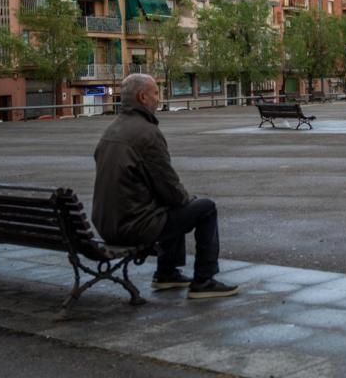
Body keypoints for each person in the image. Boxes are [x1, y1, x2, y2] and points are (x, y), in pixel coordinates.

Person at [93, 73, 239, 300]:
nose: (157, 98)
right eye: (155, 93)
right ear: (143, 97)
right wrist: (187, 200)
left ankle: (167, 273)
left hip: (107, 223)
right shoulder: (147, 134)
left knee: (174, 206)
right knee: (204, 208)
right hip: (132, 226)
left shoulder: (111, 130)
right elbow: (169, 187)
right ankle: (204, 280)